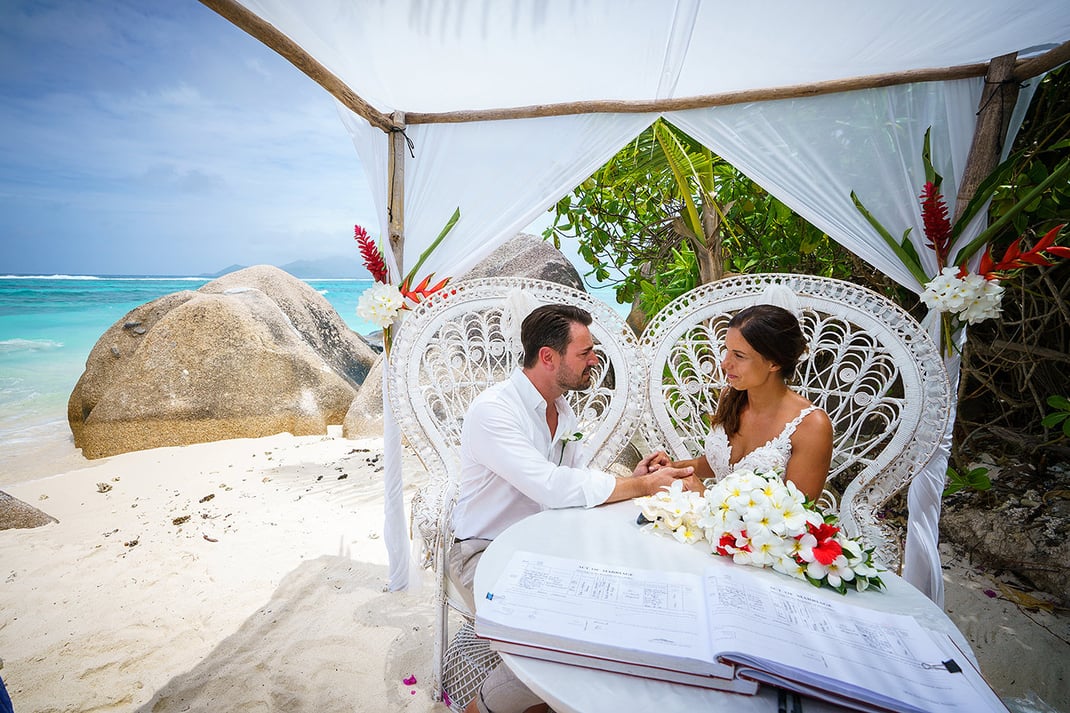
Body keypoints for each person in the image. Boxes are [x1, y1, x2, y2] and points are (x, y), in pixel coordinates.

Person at [448, 302, 693, 713]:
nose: (594, 361)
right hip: (485, 552)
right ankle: (480, 708)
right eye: (585, 353)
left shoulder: (561, 407)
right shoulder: (494, 412)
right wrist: (638, 485)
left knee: (622, 616)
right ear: (548, 357)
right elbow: (550, 486)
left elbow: (576, 481)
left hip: (548, 545)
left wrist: (633, 478)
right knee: (560, 646)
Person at [663, 302, 833, 501]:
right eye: (727, 350)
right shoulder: (732, 396)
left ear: (774, 363)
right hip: (714, 524)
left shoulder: (811, 426)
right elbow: (722, 464)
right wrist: (671, 468)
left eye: (739, 355)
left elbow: (797, 515)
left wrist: (703, 497)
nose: (725, 363)